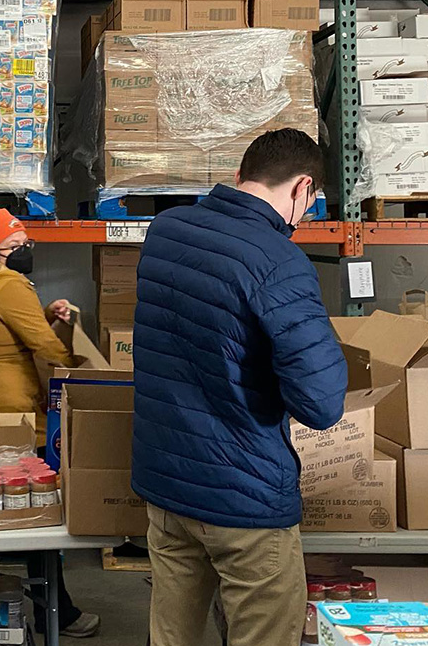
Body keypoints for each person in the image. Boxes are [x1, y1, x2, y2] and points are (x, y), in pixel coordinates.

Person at [131, 128, 348, 646]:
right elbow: (320, 404)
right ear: (303, 189)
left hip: (166, 485)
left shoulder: (167, 229)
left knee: (170, 637)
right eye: (311, 202)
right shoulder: (279, 260)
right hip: (245, 498)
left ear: (238, 177)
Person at [0, 208, 100, 639]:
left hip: (0, 405)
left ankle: (54, 610)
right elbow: (44, 347)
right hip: (14, 411)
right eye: (16, 246)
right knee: (37, 512)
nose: (25, 251)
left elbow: (20, 332)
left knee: (32, 512)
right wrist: (84, 362)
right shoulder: (8, 285)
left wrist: (48, 318)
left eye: (26, 243)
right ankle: (56, 614)